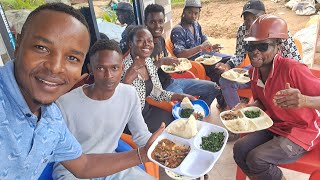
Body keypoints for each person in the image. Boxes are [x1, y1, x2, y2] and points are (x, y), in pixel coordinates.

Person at [0, 3, 163, 179]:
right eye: (42, 48)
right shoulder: (62, 106)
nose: (55, 67)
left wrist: (146, 153)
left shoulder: (51, 117)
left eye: (72, 57)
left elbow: (83, 165)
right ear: (18, 46)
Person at [233, 14, 320, 180]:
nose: (255, 52)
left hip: (302, 130)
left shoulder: (292, 69)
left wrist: (304, 100)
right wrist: (247, 108)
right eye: (250, 46)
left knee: (257, 158)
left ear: (278, 47)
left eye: (263, 46)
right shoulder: (253, 72)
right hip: (276, 125)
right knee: (239, 149)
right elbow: (262, 102)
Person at [52, 40, 153, 179]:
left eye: (114, 68)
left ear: (122, 68)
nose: (108, 75)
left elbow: (141, 135)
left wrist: (164, 146)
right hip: (72, 173)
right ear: (90, 69)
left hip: (108, 165)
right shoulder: (64, 105)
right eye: (100, 68)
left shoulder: (129, 94)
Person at [216, 0, 302, 109]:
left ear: (265, 15)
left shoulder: (277, 28)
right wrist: (228, 65)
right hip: (255, 69)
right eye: (247, 19)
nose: (251, 23)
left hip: (279, 73)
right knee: (225, 81)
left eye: (255, 18)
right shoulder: (243, 30)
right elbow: (240, 54)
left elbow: (294, 60)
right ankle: (239, 115)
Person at [144, 3, 220, 107]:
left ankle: (197, 115)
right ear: (146, 23)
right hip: (161, 91)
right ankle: (190, 116)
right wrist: (161, 62)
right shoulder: (142, 46)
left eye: (160, 21)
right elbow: (142, 77)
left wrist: (177, 68)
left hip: (172, 81)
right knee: (188, 107)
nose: (157, 26)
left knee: (214, 88)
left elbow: (166, 66)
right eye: (152, 22)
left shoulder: (160, 40)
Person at [121, 26, 195, 133]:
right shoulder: (121, 69)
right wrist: (126, 82)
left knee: (180, 120)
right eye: (140, 40)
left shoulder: (147, 62)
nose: (146, 44)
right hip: (132, 121)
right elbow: (118, 105)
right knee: (176, 131)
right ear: (130, 44)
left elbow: (157, 93)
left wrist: (179, 96)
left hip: (147, 111)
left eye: (149, 41)